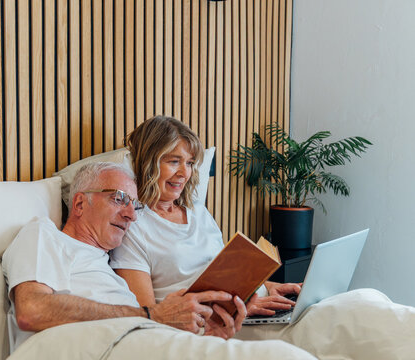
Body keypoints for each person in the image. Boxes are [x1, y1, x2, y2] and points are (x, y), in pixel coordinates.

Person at [110, 115, 415, 359]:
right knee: (342, 323)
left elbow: (223, 272)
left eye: (189, 163)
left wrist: (268, 286)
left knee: (364, 301)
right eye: (173, 161)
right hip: (218, 325)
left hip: (248, 305)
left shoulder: (196, 211)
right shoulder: (132, 226)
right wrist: (235, 305)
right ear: (148, 162)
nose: (184, 173)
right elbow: (150, 316)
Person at [1, 162, 247, 353]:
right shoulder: (45, 235)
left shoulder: (111, 273)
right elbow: (31, 310)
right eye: (119, 199)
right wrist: (151, 315)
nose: (132, 215)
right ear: (79, 204)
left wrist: (206, 340)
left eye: (134, 205)